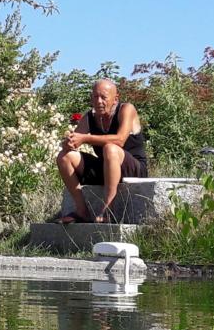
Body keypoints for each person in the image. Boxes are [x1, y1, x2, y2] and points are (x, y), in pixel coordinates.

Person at [56, 79, 148, 223]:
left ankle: (107, 210)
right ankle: (82, 211)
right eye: (95, 97)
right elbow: (74, 141)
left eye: (103, 97)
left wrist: (86, 138)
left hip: (133, 168)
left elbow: (120, 140)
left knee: (110, 148)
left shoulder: (126, 109)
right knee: (64, 157)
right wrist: (68, 143)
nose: (99, 101)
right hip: (107, 167)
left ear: (115, 98)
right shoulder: (89, 117)